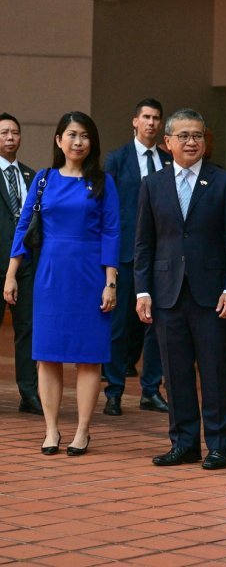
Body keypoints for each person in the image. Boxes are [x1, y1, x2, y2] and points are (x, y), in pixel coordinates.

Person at [4, 111, 120, 456]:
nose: (78, 141)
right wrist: (12, 274)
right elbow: (23, 228)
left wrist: (110, 282)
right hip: (51, 274)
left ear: (92, 142)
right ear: (59, 140)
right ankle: (51, 429)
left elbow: (112, 231)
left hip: (90, 274)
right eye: (71, 135)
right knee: (47, 355)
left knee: (88, 356)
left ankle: (82, 431)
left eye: (84, 135)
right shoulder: (43, 180)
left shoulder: (103, 182)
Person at [135, 108, 226, 470]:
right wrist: (142, 291)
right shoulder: (152, 185)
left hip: (211, 294)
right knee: (175, 372)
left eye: (197, 135)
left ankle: (217, 445)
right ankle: (183, 443)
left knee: (213, 372)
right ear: (167, 143)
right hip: (166, 293)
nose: (191, 142)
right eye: (183, 136)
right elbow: (144, 244)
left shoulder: (224, 182)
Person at [102, 98, 170, 417]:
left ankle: (150, 390)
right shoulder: (118, 159)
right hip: (126, 253)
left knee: (156, 326)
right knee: (119, 326)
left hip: (161, 256)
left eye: (156, 118)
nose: (151, 123)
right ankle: (113, 390)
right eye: (146, 117)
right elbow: (108, 211)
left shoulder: (168, 161)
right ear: (135, 121)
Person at [0, 113, 40, 415]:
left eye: (15, 132)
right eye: (4, 132)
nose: (10, 137)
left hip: (26, 265)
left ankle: (29, 393)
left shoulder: (31, 176)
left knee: (27, 328)